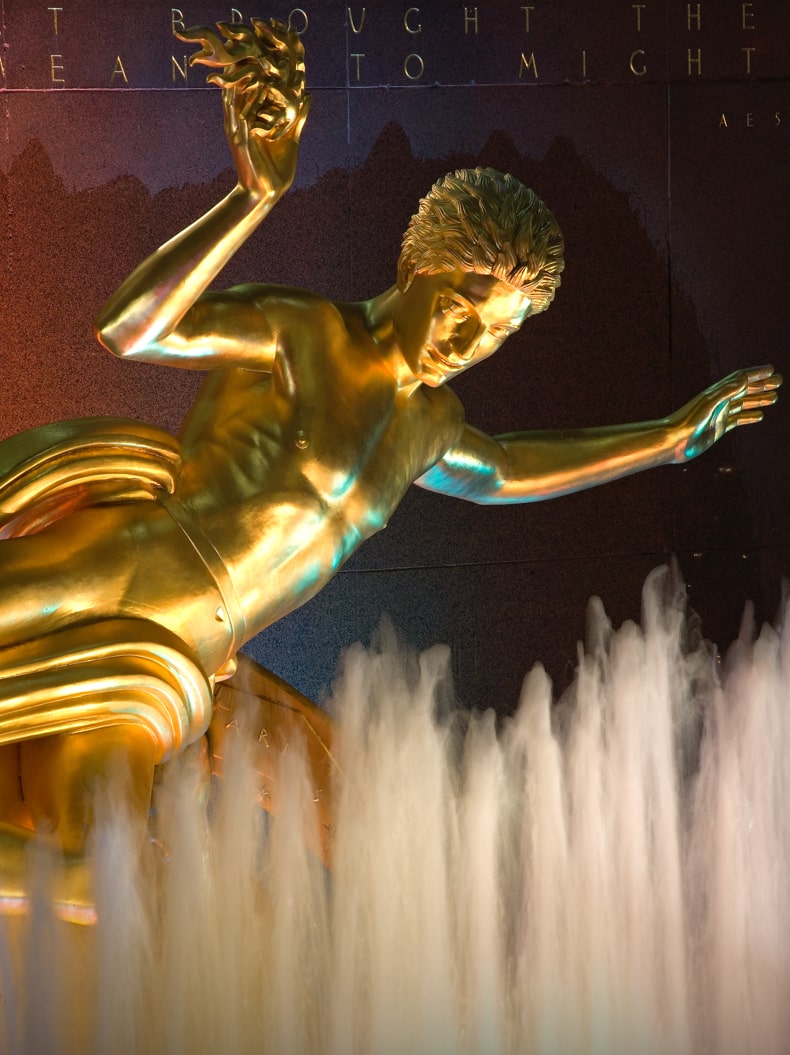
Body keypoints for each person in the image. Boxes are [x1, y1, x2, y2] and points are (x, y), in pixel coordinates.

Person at [0, 19, 780, 869]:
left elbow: (510, 470)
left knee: (94, 875)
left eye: (497, 333)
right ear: (417, 268)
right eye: (461, 304)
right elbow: (131, 329)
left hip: (179, 664)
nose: (470, 340)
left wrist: (667, 440)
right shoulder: (305, 333)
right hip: (119, 568)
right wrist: (254, 196)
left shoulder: (428, 426)